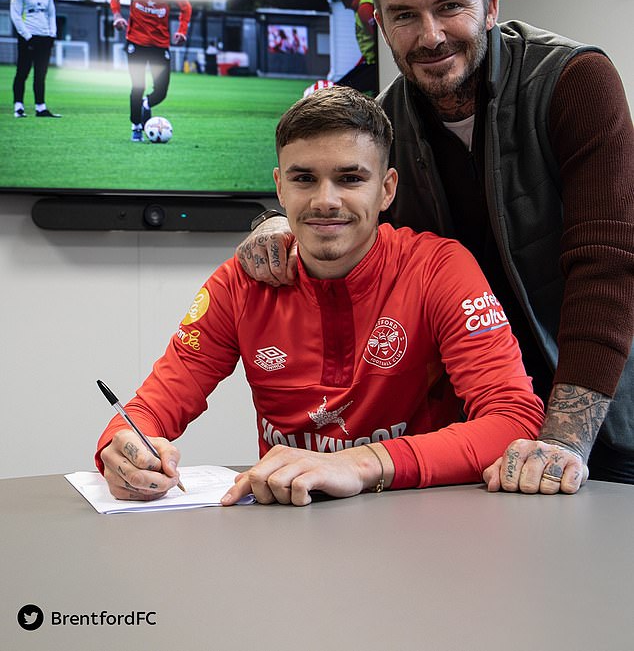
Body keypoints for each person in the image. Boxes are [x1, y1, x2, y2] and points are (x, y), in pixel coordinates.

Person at [236, 0, 634, 494]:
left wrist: (561, 439)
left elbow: (605, 267)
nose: (430, 35)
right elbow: (351, 219)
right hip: (478, 430)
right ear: (381, 24)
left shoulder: (574, 81)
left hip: (600, 412)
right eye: (404, 15)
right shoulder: (385, 125)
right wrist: (276, 226)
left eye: (451, 5)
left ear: (492, 7)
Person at [96, 86, 544, 506]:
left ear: (386, 189)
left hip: (421, 529)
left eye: (350, 178)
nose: (325, 201)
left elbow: (513, 421)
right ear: (279, 186)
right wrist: (121, 447)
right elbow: (149, 408)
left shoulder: (439, 269)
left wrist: (361, 464)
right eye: (305, 179)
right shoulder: (241, 282)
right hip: (290, 531)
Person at [110, 0, 192, 142]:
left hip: (160, 44)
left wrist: (182, 30)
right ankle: (136, 127)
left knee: (162, 90)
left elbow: (186, 8)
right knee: (137, 85)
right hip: (136, 42)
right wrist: (117, 16)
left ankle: (146, 103)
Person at [10, 0, 61, 119]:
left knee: (41, 74)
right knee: (23, 72)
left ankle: (41, 108)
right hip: (28, 37)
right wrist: (27, 36)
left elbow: (52, 14)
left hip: (44, 37)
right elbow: (16, 16)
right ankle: (18, 107)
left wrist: (52, 34)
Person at [335, 0, 378, 95]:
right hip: (370, 63)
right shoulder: (362, 8)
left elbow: (378, 41)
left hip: (374, 66)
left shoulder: (364, 9)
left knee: (340, 90)